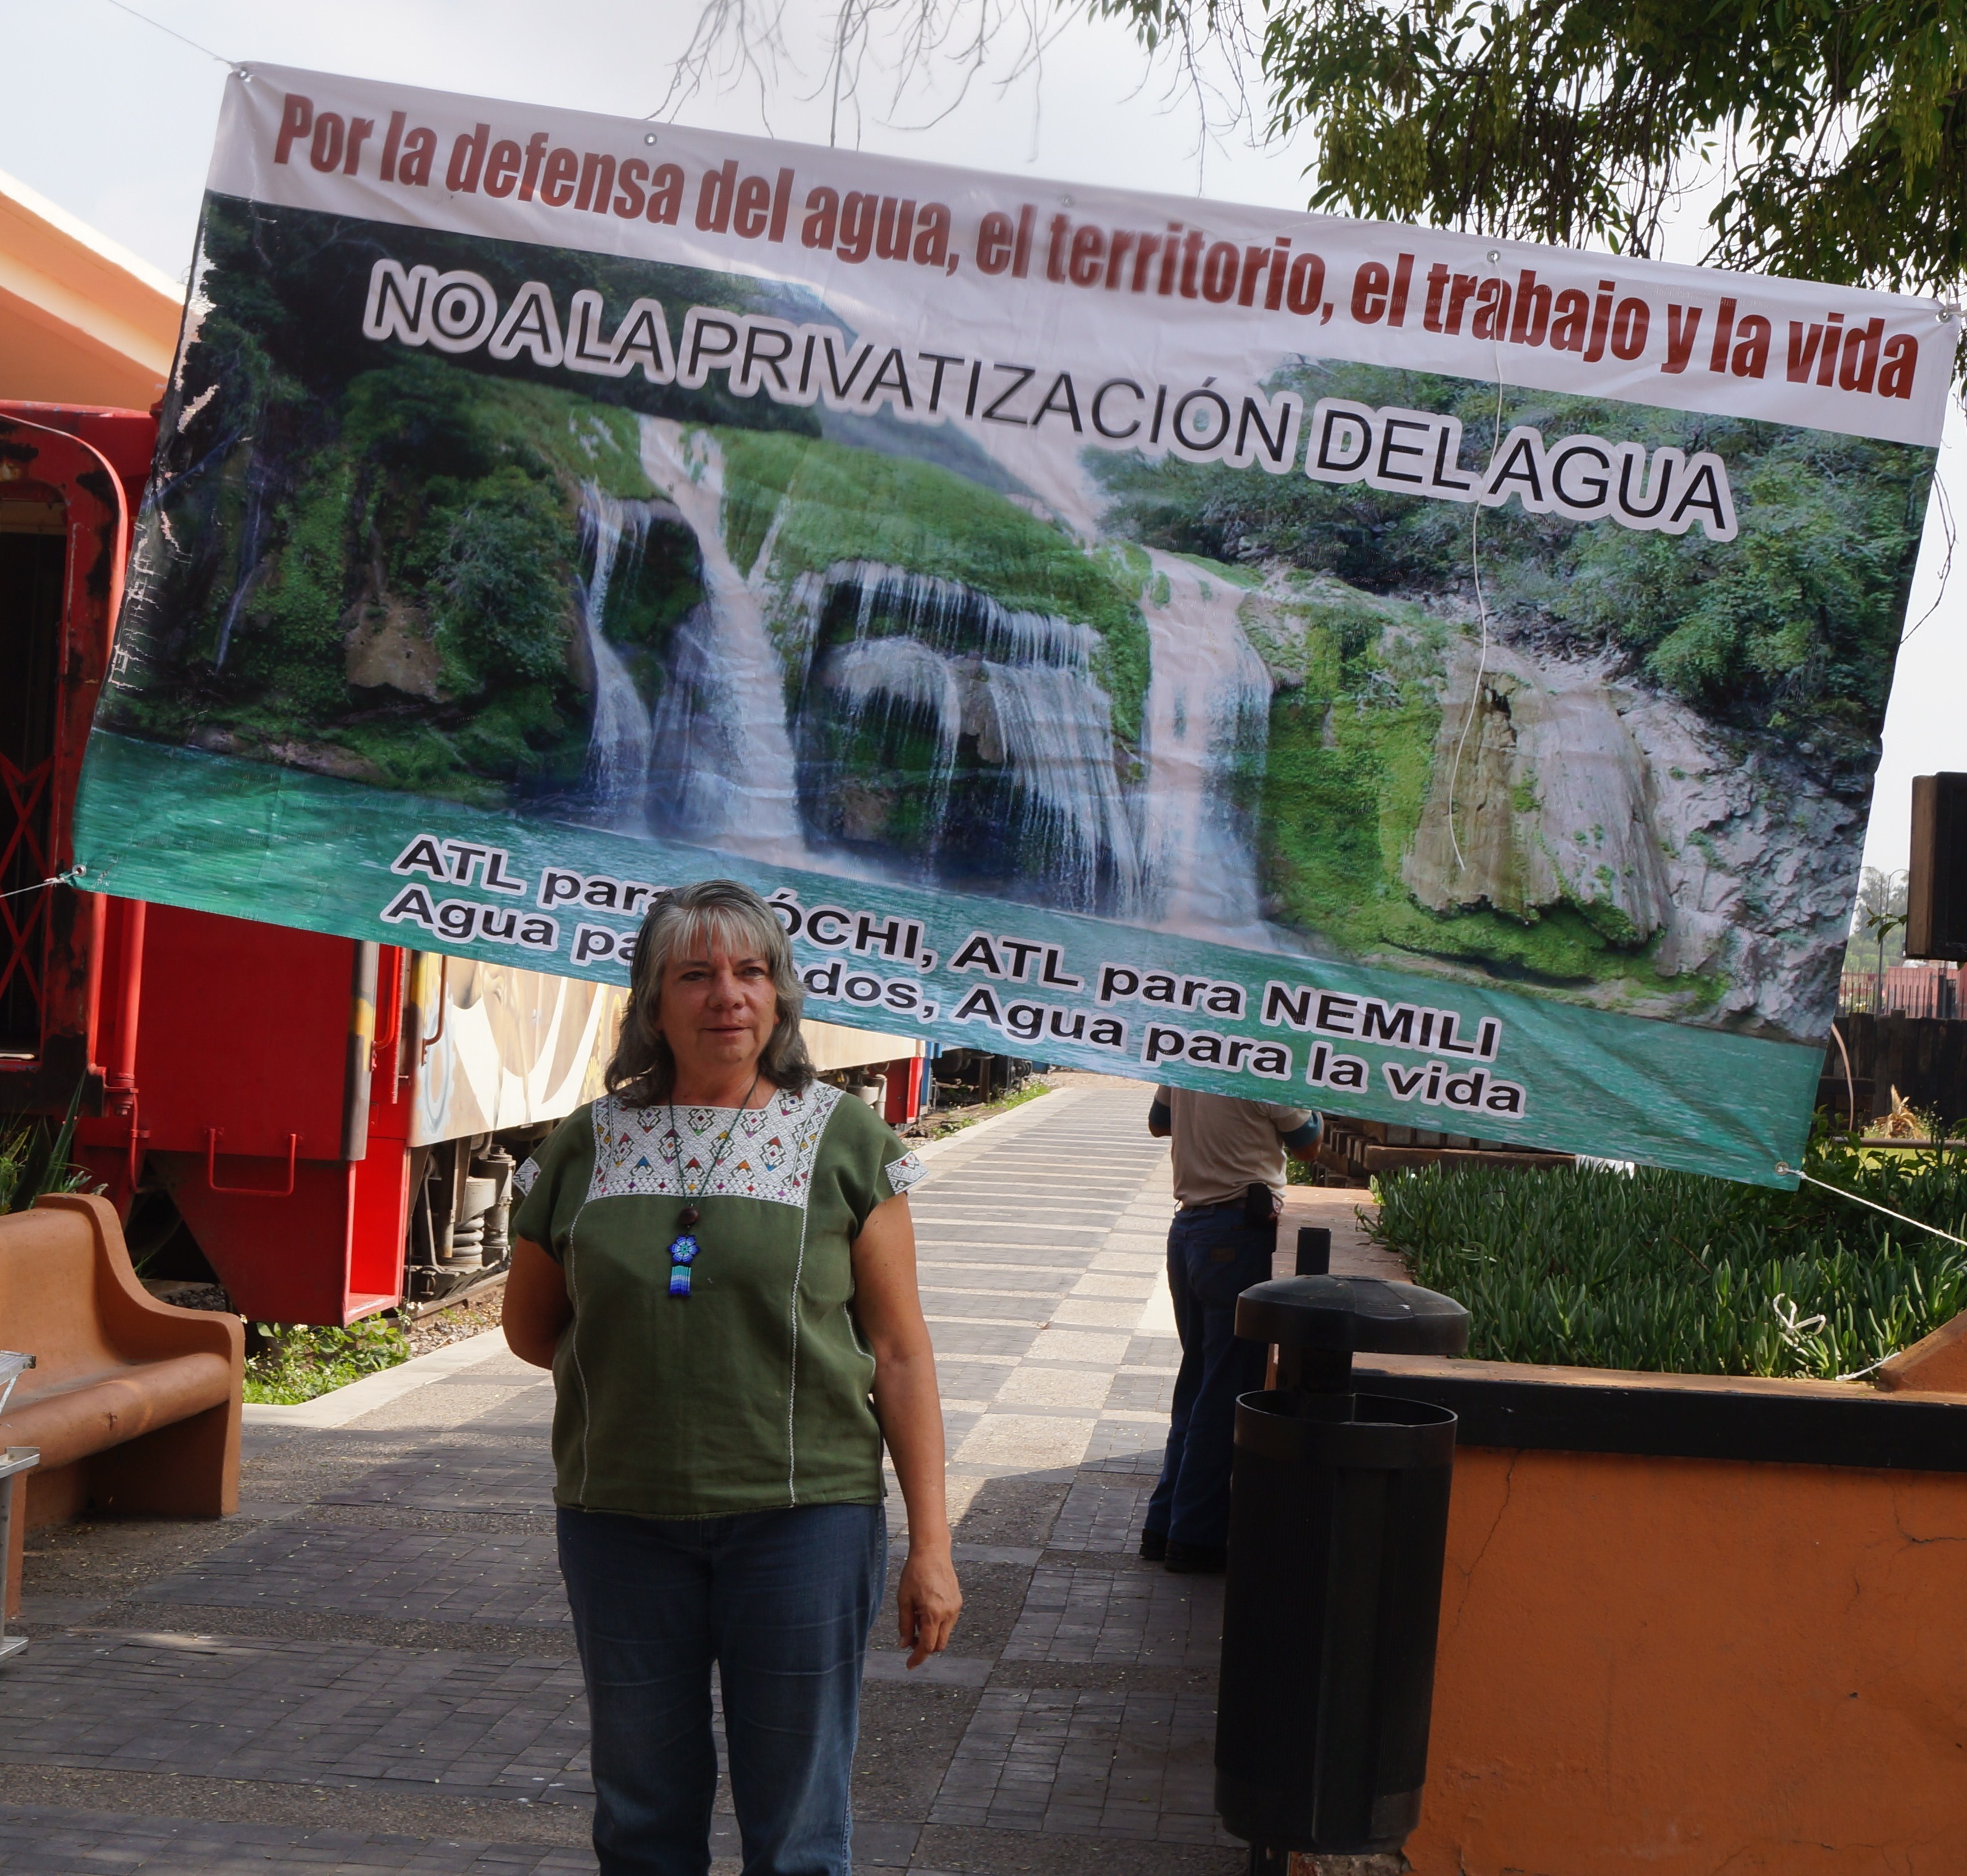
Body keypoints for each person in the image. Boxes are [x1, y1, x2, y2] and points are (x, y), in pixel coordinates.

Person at [502, 878, 962, 1876]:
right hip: (621, 1521)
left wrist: (932, 1541)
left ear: (780, 995)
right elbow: (533, 1330)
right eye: (697, 973)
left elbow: (899, 1351)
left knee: (796, 1828)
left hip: (802, 1518)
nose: (728, 995)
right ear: (652, 1000)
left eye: (751, 970)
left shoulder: (846, 1140)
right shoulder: (584, 1144)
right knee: (641, 1815)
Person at [1141, 1087, 1322, 1573]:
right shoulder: (1267, 1066)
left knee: (1199, 1380)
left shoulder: (1188, 1052)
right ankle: (1196, 1537)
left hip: (1188, 1233)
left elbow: (1159, 1123)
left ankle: (1162, 1526)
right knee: (1225, 1387)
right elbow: (1307, 1144)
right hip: (1235, 1234)